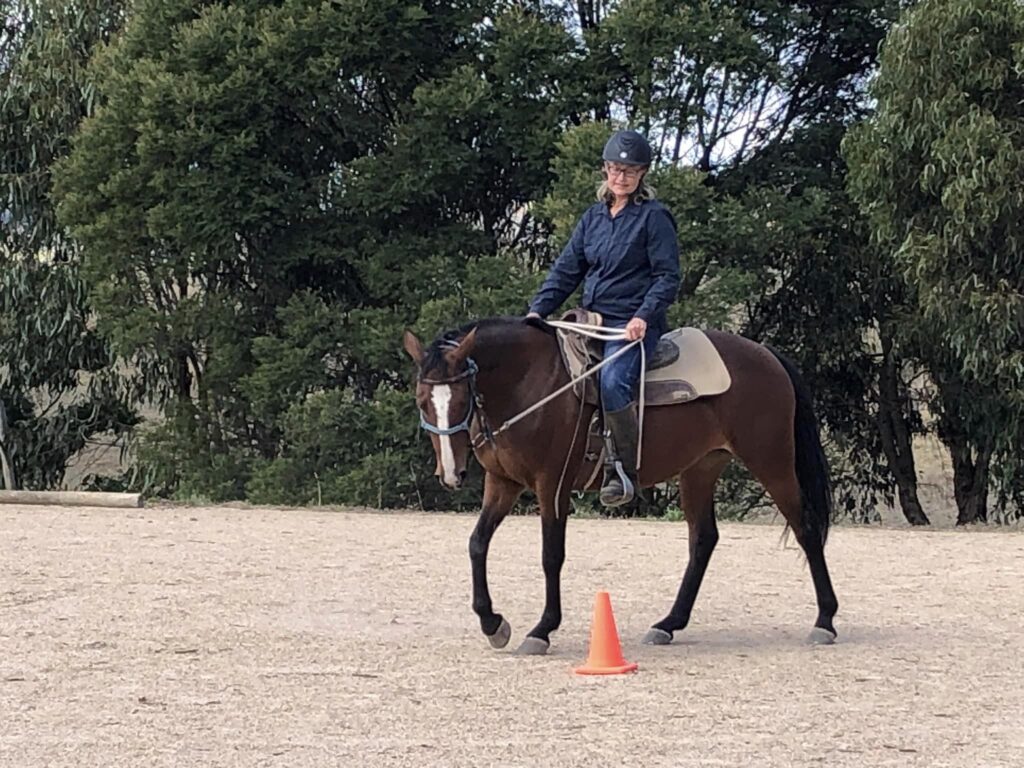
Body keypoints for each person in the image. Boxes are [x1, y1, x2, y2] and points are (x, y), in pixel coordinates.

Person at [526, 129, 680, 507]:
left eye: (629, 170)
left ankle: (624, 472)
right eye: (614, 169)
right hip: (589, 320)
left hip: (630, 325)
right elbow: (566, 270)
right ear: (604, 171)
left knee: (613, 381)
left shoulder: (654, 218)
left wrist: (643, 316)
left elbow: (667, 276)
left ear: (642, 173)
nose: (620, 177)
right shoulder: (593, 217)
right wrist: (536, 311)